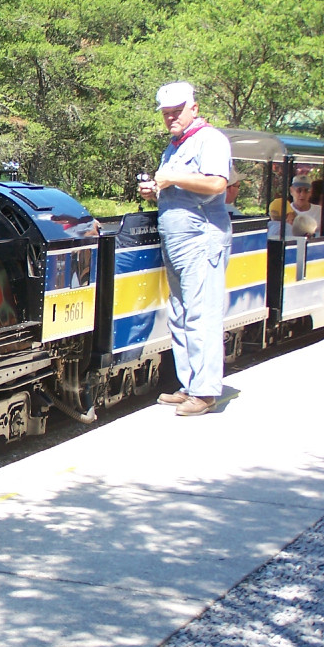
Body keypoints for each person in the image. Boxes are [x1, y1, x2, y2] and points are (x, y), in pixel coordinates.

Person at [138, 81, 232, 417]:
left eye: (177, 111)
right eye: (166, 113)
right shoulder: (175, 146)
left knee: (200, 314)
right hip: (177, 240)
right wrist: (156, 191)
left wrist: (173, 178)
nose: (171, 118)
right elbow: (177, 186)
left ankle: (206, 392)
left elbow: (217, 183)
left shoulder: (211, 140)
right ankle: (190, 384)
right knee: (179, 314)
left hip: (200, 239)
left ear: (193, 107)